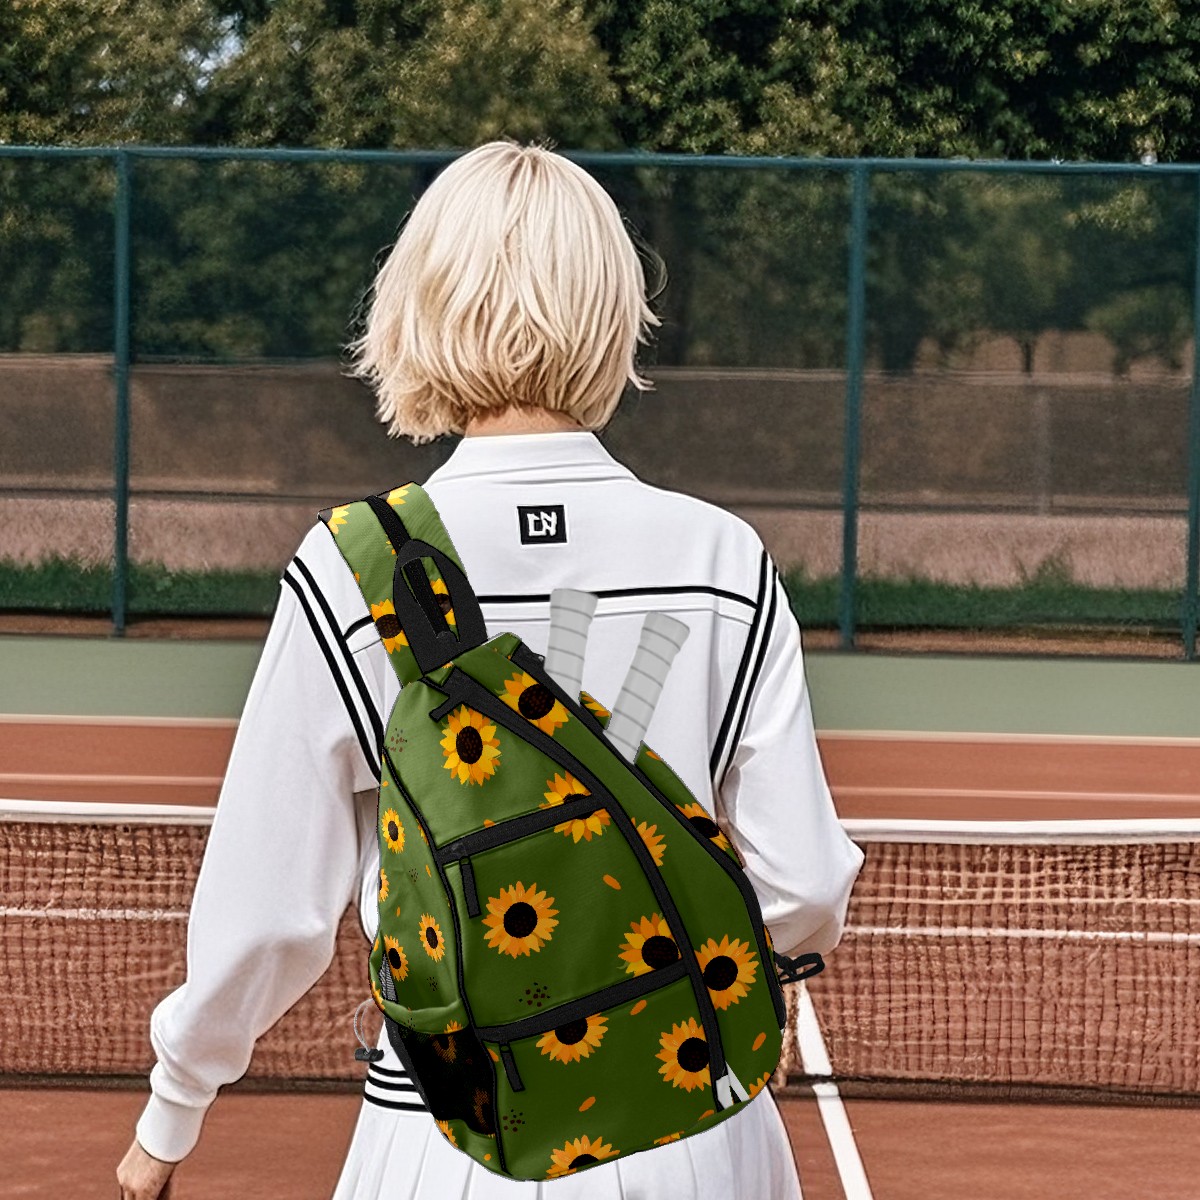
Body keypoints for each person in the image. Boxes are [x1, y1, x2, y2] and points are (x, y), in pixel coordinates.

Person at [118, 138, 865, 1200]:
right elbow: (806, 884)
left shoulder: (350, 568)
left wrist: (171, 1114)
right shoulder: (722, 557)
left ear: (422, 306)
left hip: (444, 1132)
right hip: (694, 1118)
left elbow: (269, 914)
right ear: (615, 311)